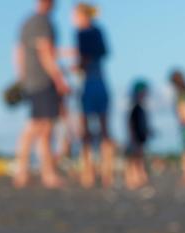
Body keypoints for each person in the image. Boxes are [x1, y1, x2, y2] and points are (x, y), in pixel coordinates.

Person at [14, 0, 69, 188]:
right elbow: (46, 52)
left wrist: (22, 79)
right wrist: (59, 79)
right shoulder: (42, 22)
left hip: (31, 81)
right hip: (43, 81)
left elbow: (18, 53)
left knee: (41, 127)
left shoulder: (26, 22)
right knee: (41, 127)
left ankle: (36, 172)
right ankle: (31, 172)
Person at [70, 3, 115, 188]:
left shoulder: (81, 33)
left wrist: (72, 67)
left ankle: (88, 173)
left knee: (86, 131)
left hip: (88, 84)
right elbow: (104, 54)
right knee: (105, 131)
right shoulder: (99, 31)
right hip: (102, 82)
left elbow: (83, 60)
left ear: (82, 15)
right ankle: (107, 174)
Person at [124, 80, 152, 189]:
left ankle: (140, 177)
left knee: (138, 158)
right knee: (133, 159)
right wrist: (132, 138)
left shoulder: (140, 108)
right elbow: (131, 124)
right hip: (135, 138)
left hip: (139, 138)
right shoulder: (135, 108)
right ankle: (132, 179)